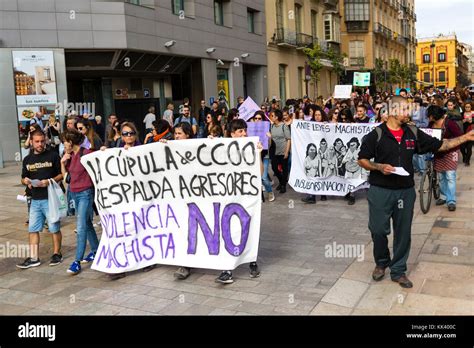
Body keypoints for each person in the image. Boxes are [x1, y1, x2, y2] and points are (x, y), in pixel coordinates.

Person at [358, 96, 474, 288]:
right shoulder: (375, 134)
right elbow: (362, 159)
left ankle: (398, 270)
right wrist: (379, 166)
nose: (409, 112)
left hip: (405, 192)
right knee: (378, 229)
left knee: (403, 232)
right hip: (380, 190)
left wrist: (465, 137)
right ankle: (381, 262)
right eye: (405, 109)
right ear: (393, 110)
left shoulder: (413, 132)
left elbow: (441, 145)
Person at [215, 119, 261, 284]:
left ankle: (252, 261)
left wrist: (258, 155)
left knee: (249, 227)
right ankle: (227, 269)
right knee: (230, 230)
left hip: (248, 197)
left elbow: (260, 172)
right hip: (229, 198)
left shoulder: (252, 148)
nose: (244, 134)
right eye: (240, 131)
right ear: (232, 134)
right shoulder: (222, 148)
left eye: (245, 130)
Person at [17, 129, 63, 269]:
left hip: (50, 198)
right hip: (35, 199)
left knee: (54, 227)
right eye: (37, 141)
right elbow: (23, 178)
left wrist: (48, 181)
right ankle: (34, 257)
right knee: (33, 229)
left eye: (42, 141)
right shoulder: (27, 159)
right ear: (31, 142)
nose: (40, 144)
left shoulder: (53, 156)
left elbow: (61, 175)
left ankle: (57, 254)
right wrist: (26, 181)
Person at [60, 129, 99, 275]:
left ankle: (77, 261)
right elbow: (67, 179)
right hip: (74, 193)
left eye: (64, 141)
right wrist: (62, 163)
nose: (63, 145)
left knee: (81, 226)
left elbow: (99, 161)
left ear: (70, 142)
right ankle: (96, 250)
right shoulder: (70, 156)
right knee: (87, 223)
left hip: (85, 193)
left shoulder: (86, 153)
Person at [428, 105, 463, 211]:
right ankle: (443, 196)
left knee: (450, 176)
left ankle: (451, 200)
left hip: (451, 152)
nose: (428, 118)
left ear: (434, 115)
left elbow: (459, 135)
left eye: (430, 115)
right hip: (438, 153)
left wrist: (449, 141)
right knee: (441, 176)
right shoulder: (431, 124)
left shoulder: (449, 123)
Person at [270, 110, 291, 194]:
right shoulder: (272, 126)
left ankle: (283, 185)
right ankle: (282, 180)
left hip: (283, 150)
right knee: (274, 168)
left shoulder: (284, 126)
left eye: (272, 116)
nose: (271, 117)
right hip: (274, 151)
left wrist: (286, 152)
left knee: (284, 168)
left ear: (276, 117)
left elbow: (289, 139)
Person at [460, 101, 473, 166]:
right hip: (463, 132)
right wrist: (463, 121)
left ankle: (467, 161)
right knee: (462, 147)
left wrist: (472, 120)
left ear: (471, 107)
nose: (467, 108)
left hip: (471, 133)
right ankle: (464, 156)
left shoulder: (473, 113)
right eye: (466, 107)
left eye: (469, 107)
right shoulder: (462, 114)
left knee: (469, 147)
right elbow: (459, 122)